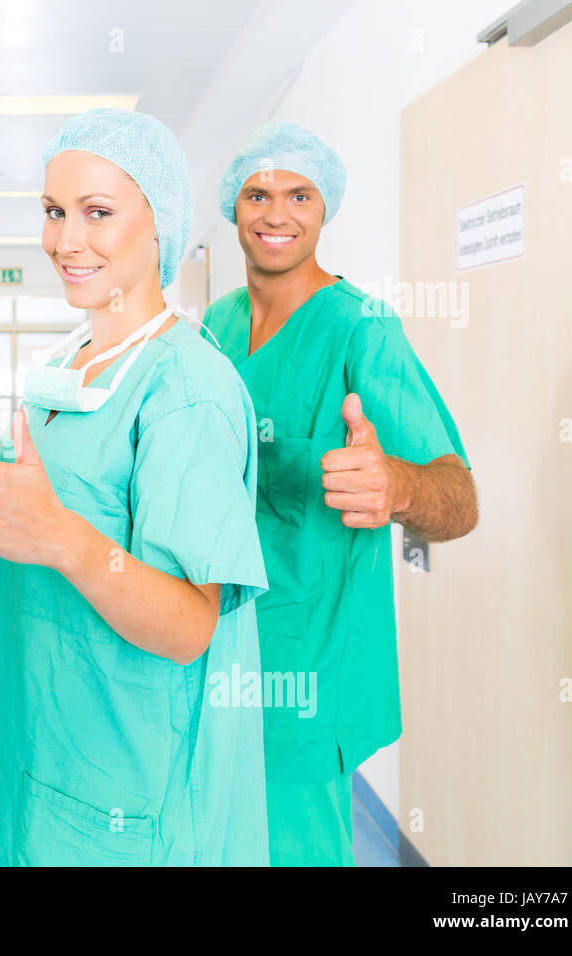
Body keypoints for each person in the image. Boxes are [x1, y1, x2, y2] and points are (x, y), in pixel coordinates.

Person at [0, 109, 269, 866]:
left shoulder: (184, 387)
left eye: (98, 212)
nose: (67, 240)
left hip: (127, 794)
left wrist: (58, 536)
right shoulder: (66, 364)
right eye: (55, 212)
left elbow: (193, 625)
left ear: (159, 224)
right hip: (40, 751)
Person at [205, 121, 479, 866]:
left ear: (326, 210)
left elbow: (459, 497)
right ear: (233, 204)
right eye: (257, 193)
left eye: (300, 194)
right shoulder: (215, 324)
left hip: (306, 664)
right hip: (205, 643)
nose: (276, 213)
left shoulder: (363, 328)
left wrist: (395, 483)